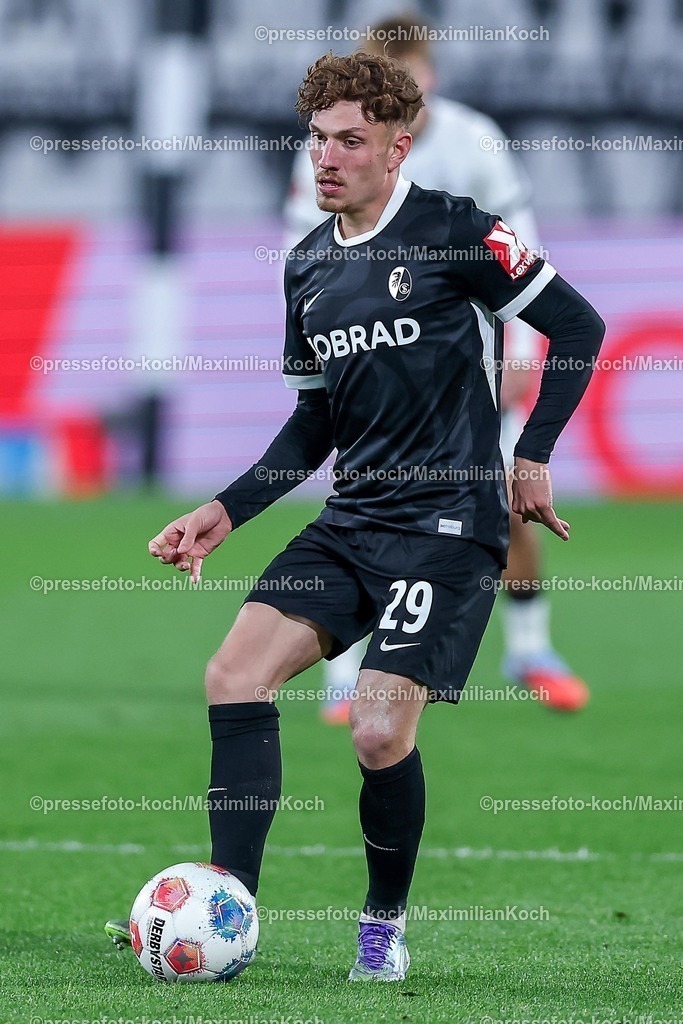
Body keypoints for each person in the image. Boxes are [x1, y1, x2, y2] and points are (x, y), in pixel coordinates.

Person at [107, 51, 604, 980]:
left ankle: (382, 924)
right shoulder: (306, 268)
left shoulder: (459, 231)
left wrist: (528, 455)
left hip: (450, 525)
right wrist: (226, 509)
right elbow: (313, 424)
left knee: (378, 732)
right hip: (351, 521)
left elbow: (578, 327)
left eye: (348, 141)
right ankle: (232, 910)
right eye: (315, 140)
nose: (324, 158)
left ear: (395, 146)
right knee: (232, 674)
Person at [285, 16, 590, 724]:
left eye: (412, 81)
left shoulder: (472, 140)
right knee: (357, 502)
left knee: (506, 494)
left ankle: (529, 648)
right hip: (368, 357)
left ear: (430, 79)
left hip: (467, 368)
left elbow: (525, 252)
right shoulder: (337, 144)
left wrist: (520, 354)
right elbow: (300, 245)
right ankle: (346, 672)